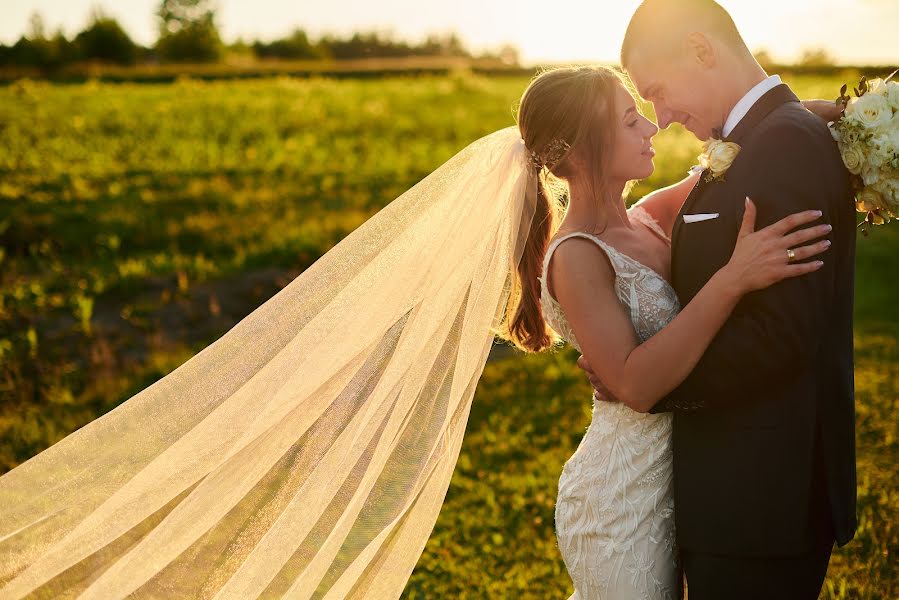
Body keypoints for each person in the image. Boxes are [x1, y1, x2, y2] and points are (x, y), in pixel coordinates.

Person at [0, 55, 839, 600]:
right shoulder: (575, 257)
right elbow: (636, 382)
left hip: (679, 485)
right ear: (582, 148)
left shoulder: (650, 217)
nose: (651, 128)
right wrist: (731, 281)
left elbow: (728, 159)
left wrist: (818, 123)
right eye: (629, 121)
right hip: (621, 495)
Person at [576, 1, 857, 598]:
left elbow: (779, 335)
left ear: (702, 51)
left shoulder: (782, 143)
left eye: (656, 90)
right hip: (737, 497)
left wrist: (643, 384)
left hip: (760, 499)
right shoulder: (761, 139)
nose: (663, 117)